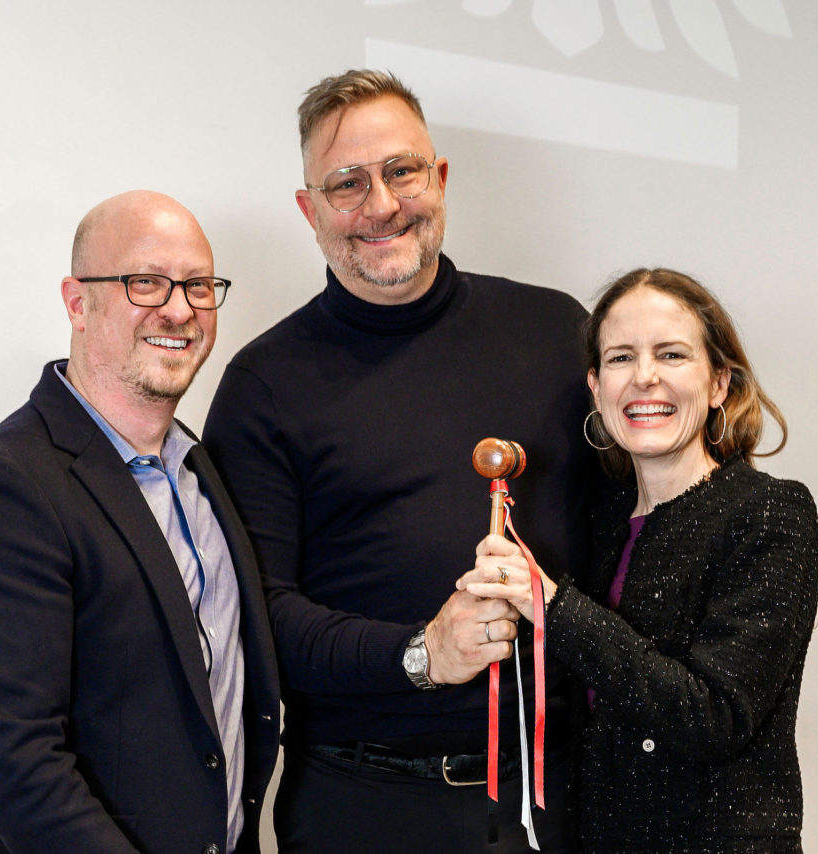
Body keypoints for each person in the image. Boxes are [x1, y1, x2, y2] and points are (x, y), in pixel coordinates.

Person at [203, 70, 602, 852]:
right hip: (365, 804)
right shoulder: (263, 386)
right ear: (309, 208)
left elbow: (628, 535)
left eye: (401, 171)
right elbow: (259, 620)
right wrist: (423, 656)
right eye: (346, 183)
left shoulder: (557, 331)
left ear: (440, 178)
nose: (380, 204)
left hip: (560, 795)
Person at [0, 190, 280, 854]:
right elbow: (19, 767)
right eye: (146, 282)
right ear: (79, 302)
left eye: (198, 285)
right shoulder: (0, 488)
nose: (179, 309)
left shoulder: (199, 470)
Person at [461, 268, 818, 852]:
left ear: (719, 384)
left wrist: (552, 604)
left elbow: (716, 715)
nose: (644, 377)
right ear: (597, 387)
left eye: (672, 355)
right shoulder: (600, 518)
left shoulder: (770, 512)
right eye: (622, 358)